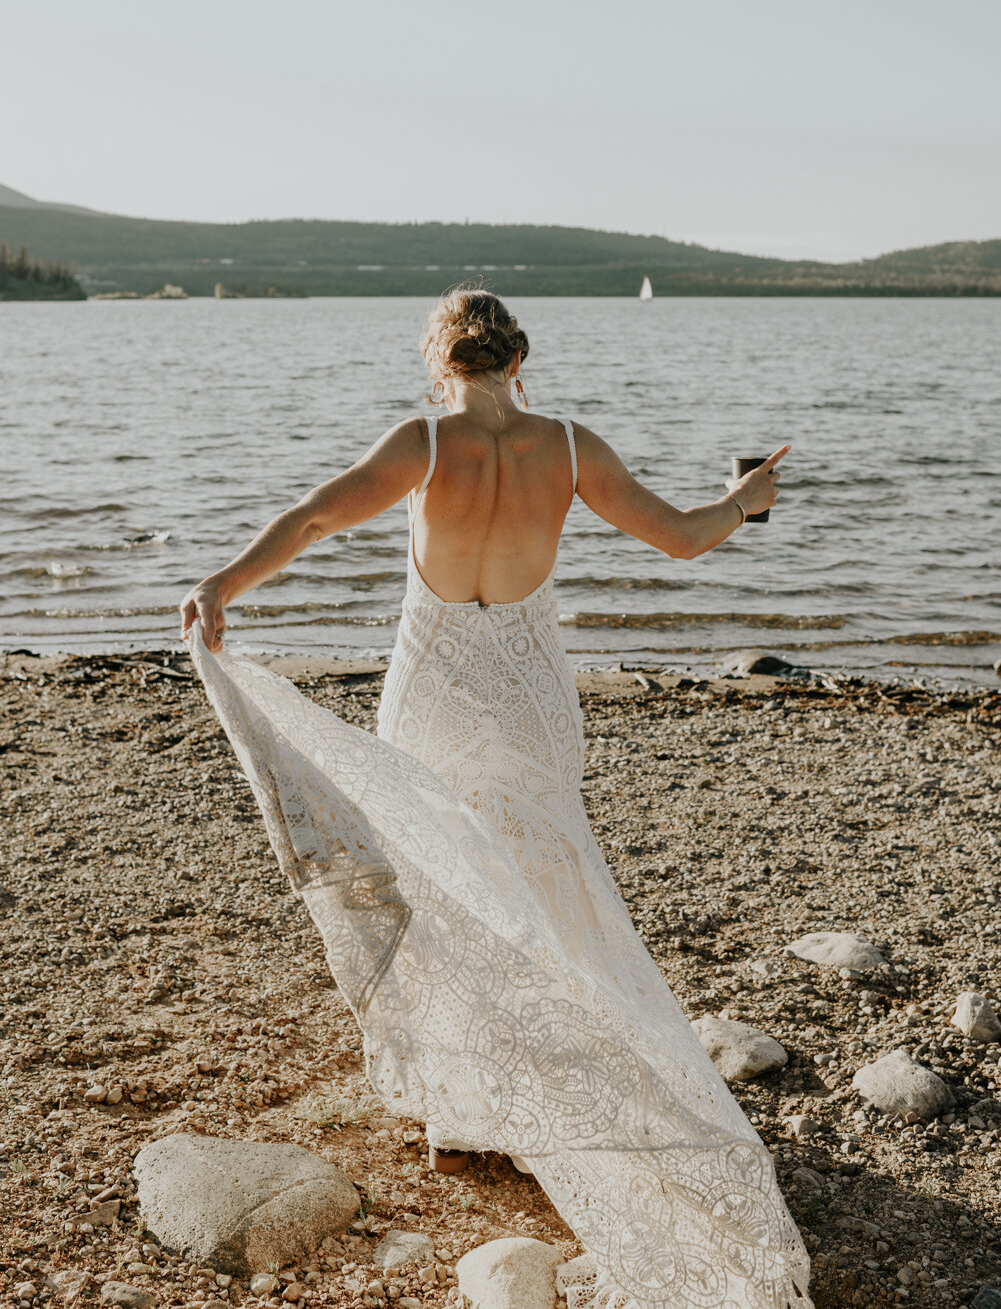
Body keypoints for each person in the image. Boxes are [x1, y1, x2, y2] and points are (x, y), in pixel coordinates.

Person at [179, 288, 808, 1309]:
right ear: (523, 357)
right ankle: (559, 1075)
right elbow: (686, 539)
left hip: (432, 690)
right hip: (525, 693)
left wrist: (222, 584)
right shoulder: (568, 447)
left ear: (441, 363)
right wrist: (748, 496)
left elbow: (311, 518)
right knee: (549, 877)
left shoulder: (421, 442)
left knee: (436, 876)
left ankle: (465, 1104)